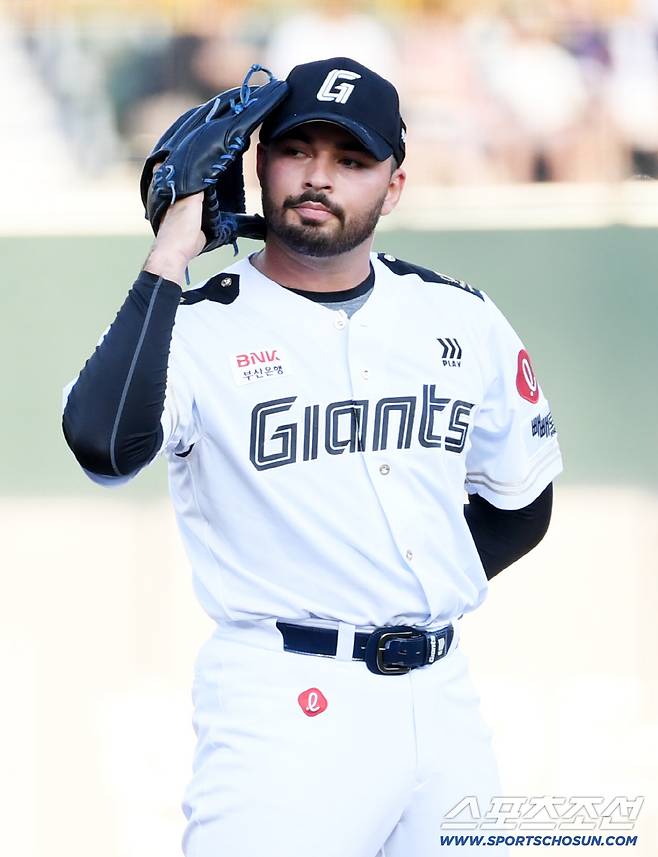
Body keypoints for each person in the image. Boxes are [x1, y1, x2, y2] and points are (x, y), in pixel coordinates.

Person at [62, 57, 562, 857]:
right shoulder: (195, 326)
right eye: (298, 150)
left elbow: (522, 503)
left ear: (393, 186)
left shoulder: (458, 316)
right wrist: (170, 251)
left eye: (352, 160)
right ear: (256, 161)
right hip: (282, 706)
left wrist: (400, 586)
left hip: (444, 699)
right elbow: (103, 445)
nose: (319, 177)